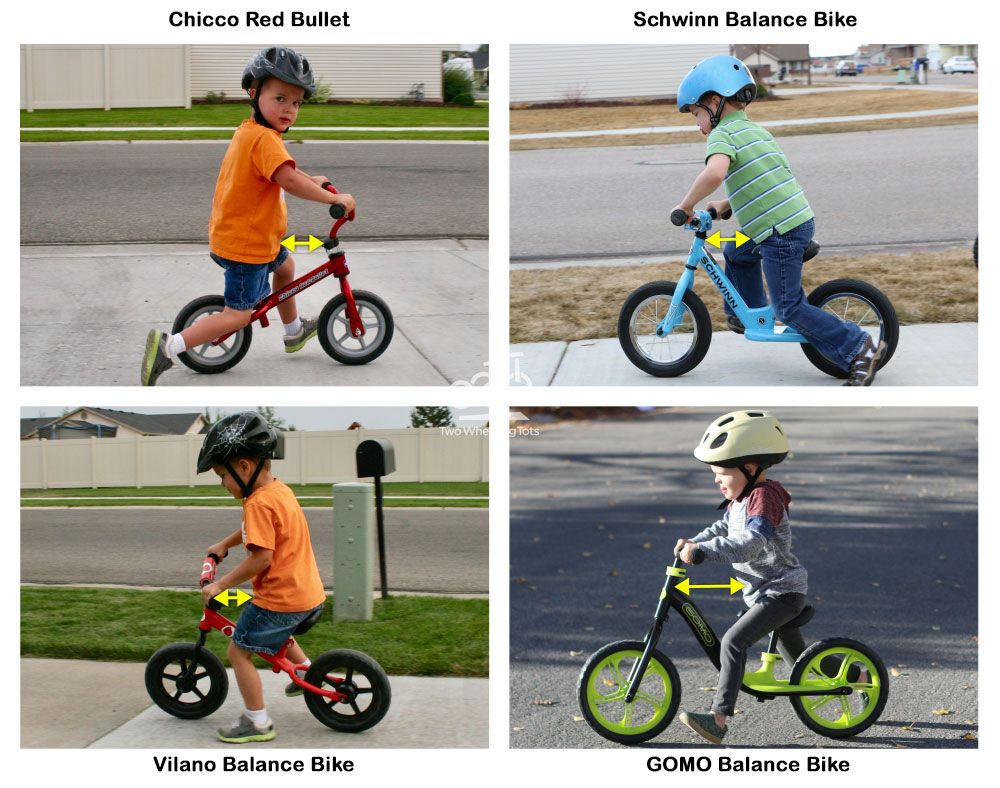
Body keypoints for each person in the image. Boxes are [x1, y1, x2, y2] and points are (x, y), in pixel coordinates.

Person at [141, 46, 356, 385]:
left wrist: (313, 180)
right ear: (254, 93)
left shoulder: (251, 131)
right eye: (280, 98)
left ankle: (293, 331)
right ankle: (169, 347)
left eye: (297, 103)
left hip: (251, 238)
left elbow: (284, 172)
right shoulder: (265, 140)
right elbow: (288, 180)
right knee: (238, 316)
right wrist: (334, 198)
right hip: (247, 248)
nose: (289, 109)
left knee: (286, 268)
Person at [672, 54, 886, 386]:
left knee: (788, 308)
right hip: (791, 221)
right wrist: (727, 204)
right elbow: (767, 177)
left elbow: (715, 173)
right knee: (735, 250)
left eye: (696, 113)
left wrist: (686, 206)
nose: (697, 123)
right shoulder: (757, 131)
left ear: (714, 102)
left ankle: (860, 346)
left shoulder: (722, 135)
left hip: (779, 233)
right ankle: (751, 313)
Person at [673, 410, 864, 744]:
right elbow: (723, 527)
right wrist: (694, 542)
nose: (717, 480)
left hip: (781, 593)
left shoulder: (764, 498)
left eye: (722, 473)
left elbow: (750, 543)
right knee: (803, 661)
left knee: (733, 642)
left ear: (749, 468)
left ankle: (718, 720)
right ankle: (861, 677)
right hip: (765, 593)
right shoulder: (740, 499)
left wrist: (703, 552)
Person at [198, 412, 326, 743]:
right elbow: (255, 531)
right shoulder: (278, 491)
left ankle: (257, 721)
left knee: (238, 652)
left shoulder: (257, 504)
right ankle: (307, 671)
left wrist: (220, 584)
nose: (222, 484)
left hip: (281, 599)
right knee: (272, 631)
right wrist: (224, 545)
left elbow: (261, 557)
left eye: (222, 475)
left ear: (243, 467)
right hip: (307, 594)